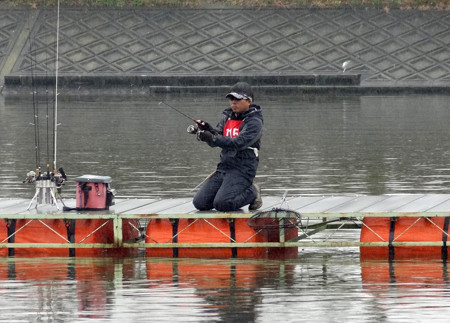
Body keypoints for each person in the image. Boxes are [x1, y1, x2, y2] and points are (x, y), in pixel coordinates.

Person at [192, 82, 263, 212]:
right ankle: (232, 191)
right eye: (231, 99)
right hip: (224, 167)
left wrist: (213, 137)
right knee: (200, 203)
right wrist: (207, 131)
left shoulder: (254, 122)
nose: (233, 103)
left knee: (222, 204)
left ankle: (253, 192)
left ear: (249, 101)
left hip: (243, 170)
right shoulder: (227, 117)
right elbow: (216, 139)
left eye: (237, 99)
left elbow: (237, 143)